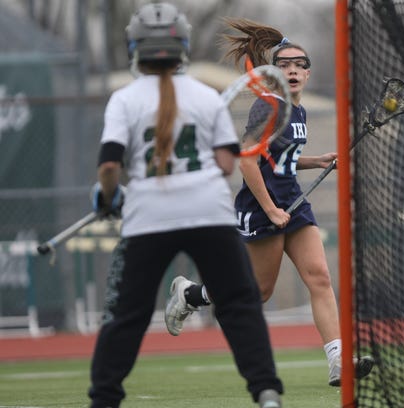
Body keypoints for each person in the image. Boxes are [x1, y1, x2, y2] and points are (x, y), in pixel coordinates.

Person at [87, 4, 283, 408]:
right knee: (240, 303)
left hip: (147, 218)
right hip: (208, 214)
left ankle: (104, 399)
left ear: (135, 47)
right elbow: (228, 161)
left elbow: (109, 165)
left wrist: (109, 197)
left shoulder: (123, 99)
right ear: (183, 46)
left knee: (126, 316)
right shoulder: (205, 96)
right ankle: (265, 391)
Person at [165, 17, 374, 387]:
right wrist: (270, 208)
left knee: (320, 277)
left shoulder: (300, 111)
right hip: (262, 205)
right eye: (285, 65)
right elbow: (247, 159)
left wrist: (316, 160)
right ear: (273, 73)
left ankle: (339, 360)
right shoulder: (269, 107)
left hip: (293, 201)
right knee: (258, 291)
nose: (293, 71)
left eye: (299, 65)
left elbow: (280, 158)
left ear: (308, 74)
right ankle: (191, 294)